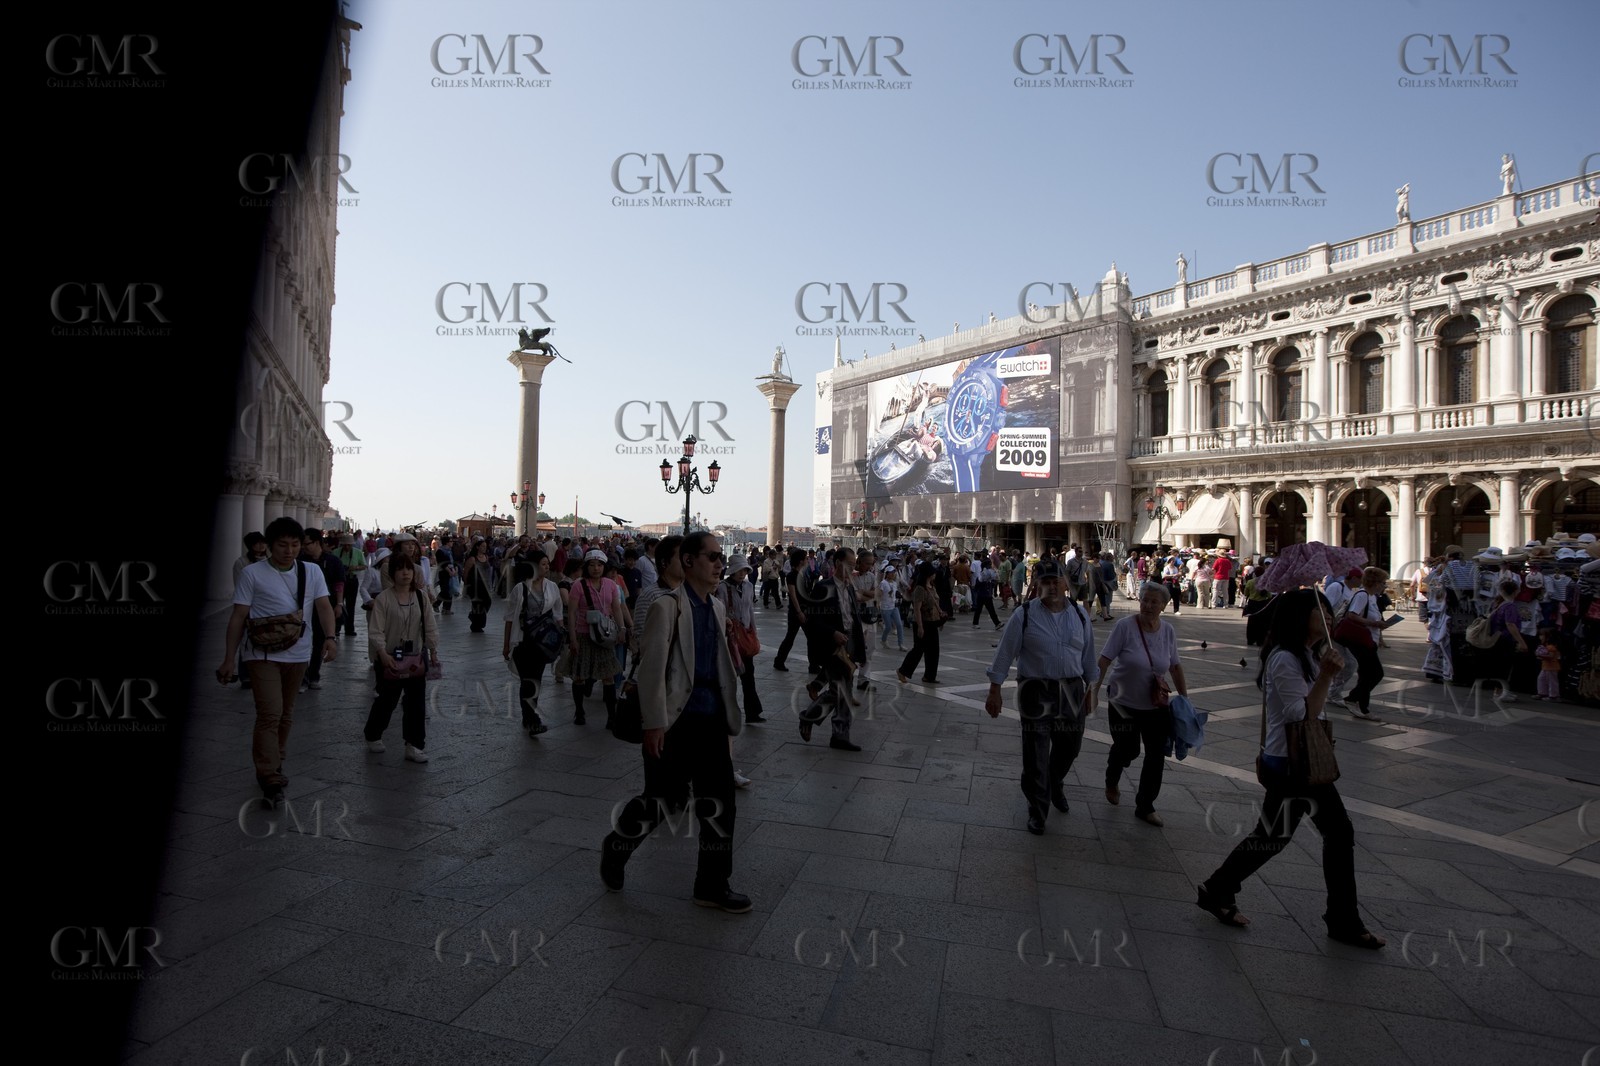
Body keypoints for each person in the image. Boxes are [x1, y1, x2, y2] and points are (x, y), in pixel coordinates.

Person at [1196, 588, 1386, 950]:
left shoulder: (1306, 655)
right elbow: (1302, 714)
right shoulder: (1285, 659)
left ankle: (1218, 889)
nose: (1328, 617)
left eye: (1329, 611)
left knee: (1274, 836)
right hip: (1294, 766)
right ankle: (1343, 920)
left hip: (1295, 764)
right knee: (1336, 833)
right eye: (1320, 611)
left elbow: (1320, 702)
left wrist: (1330, 670)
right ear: (1299, 618)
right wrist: (1326, 677)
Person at [600, 532, 750, 913]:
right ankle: (617, 846)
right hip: (674, 719)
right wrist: (654, 724)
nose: (719, 564)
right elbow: (650, 669)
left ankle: (712, 885)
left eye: (721, 558)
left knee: (720, 804)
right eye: (712, 557)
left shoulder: (716, 607)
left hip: (712, 719)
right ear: (688, 561)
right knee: (664, 800)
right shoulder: (666, 606)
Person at [216, 516, 338, 804]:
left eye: (295, 545)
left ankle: (276, 760)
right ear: (270, 546)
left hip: (299, 653)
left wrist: (331, 638)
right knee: (270, 713)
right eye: (282, 545)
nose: (289, 550)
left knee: (286, 713)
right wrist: (228, 659)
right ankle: (268, 773)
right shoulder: (252, 574)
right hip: (262, 654)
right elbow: (238, 617)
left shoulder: (312, 572)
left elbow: (323, 607)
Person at [984, 561, 1099, 835]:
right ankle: (1038, 809)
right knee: (1035, 751)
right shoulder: (1024, 615)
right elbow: (1004, 653)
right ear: (1037, 585)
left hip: (1071, 689)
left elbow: (1089, 657)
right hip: (1035, 690)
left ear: (1065, 584)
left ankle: (1054, 781)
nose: (1050, 586)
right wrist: (994, 691)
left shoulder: (1080, 616)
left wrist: (1092, 690)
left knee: (1069, 747)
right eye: (1044, 581)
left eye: (1055, 581)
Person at [1098, 582, 1187, 826]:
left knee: (1156, 754)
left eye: (1153, 602)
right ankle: (1112, 776)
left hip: (1155, 704)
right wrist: (1092, 691)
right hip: (1122, 701)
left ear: (1164, 606)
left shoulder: (1167, 630)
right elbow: (1104, 660)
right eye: (1144, 600)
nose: (1147, 605)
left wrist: (1185, 698)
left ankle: (1145, 805)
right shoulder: (1125, 627)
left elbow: (1175, 666)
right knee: (1128, 749)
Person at [364, 553, 439, 763]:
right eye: (400, 569)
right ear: (392, 573)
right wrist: (381, 653)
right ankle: (373, 733)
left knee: (416, 703)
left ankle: (414, 744)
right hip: (389, 656)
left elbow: (430, 624)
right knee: (387, 700)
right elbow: (376, 629)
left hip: (415, 656)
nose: (405, 573)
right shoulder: (384, 598)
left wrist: (433, 650)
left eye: (409, 569)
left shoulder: (420, 596)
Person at [801, 547, 865, 750]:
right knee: (841, 690)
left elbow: (852, 617)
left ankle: (830, 729)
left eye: (855, 565)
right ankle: (833, 731)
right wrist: (832, 633)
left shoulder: (850, 588)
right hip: (832, 645)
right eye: (850, 564)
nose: (852, 569)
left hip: (849, 643)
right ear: (837, 563)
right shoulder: (823, 587)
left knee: (842, 690)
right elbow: (813, 620)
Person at [504, 549, 563, 737]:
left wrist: (561, 637)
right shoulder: (520, 589)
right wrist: (506, 645)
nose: (547, 567)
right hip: (523, 642)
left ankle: (529, 717)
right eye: (543, 564)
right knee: (527, 681)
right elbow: (510, 618)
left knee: (535, 680)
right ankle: (531, 719)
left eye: (547, 564)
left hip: (542, 643)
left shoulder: (552, 587)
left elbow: (558, 614)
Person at [568, 549, 631, 726]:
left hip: (604, 636)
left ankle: (611, 716)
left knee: (608, 676)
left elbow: (617, 608)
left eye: (600, 565)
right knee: (579, 676)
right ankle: (579, 711)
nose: (596, 568)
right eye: (592, 565)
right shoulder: (578, 586)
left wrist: (622, 628)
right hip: (583, 634)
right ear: (586, 566)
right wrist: (572, 638)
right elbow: (572, 613)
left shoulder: (611, 585)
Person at [716, 554, 766, 725]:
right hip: (729, 637)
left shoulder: (749, 586)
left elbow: (750, 609)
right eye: (739, 570)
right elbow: (720, 609)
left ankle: (753, 712)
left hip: (744, 635)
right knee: (728, 676)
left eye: (744, 570)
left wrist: (754, 630)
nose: (742, 573)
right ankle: (724, 713)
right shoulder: (723, 587)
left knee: (748, 675)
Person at [1336, 567, 1391, 721]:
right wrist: (1373, 623)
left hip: (1369, 640)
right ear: (1375, 582)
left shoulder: (1372, 597)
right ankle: (1353, 699)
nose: (1384, 586)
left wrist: (1379, 632)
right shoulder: (1362, 595)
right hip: (1360, 640)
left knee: (1367, 674)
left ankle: (1363, 708)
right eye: (1383, 582)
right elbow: (1352, 615)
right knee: (1376, 673)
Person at [299, 530, 345, 691]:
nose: (304, 548)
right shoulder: (300, 561)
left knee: (319, 642)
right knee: (302, 641)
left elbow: (339, 584)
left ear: (317, 542)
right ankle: (302, 677)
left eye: (307, 544)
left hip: (326, 606)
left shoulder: (333, 561)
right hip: (304, 608)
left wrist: (339, 604)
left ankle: (313, 675)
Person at [896, 564, 944, 685]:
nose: (935, 574)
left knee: (934, 650)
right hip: (923, 622)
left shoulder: (932, 586)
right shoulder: (919, 589)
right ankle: (903, 671)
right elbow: (917, 609)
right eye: (933, 572)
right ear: (928, 574)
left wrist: (940, 618)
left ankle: (930, 676)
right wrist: (920, 626)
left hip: (933, 621)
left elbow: (935, 603)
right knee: (918, 649)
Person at [1486, 578, 1530, 700]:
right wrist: (1521, 641)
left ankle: (1500, 691)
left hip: (1496, 638)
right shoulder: (1509, 606)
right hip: (1505, 639)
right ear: (1515, 591)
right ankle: (1501, 692)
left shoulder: (1498, 604)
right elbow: (1510, 624)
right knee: (1504, 666)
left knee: (1500, 665)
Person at [772, 547, 810, 671]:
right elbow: (792, 595)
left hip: (804, 610)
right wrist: (799, 611)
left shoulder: (801, 574)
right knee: (791, 638)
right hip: (797, 612)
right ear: (800, 561)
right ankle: (779, 661)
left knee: (808, 637)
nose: (807, 560)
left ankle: (813, 664)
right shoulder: (792, 575)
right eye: (806, 559)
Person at [878, 565, 905, 649]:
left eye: (894, 572)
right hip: (885, 608)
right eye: (891, 573)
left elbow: (894, 593)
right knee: (888, 627)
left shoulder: (894, 583)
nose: (893, 574)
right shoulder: (883, 583)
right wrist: (878, 604)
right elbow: (880, 594)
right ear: (887, 574)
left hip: (893, 607)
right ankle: (883, 640)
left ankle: (901, 644)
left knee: (899, 625)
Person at [972, 554, 1002, 629]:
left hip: (987, 595)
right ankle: (975, 623)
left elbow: (994, 582)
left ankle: (997, 623)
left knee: (991, 610)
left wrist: (993, 582)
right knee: (979, 609)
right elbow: (977, 586)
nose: (990, 566)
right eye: (989, 565)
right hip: (982, 595)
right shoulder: (981, 575)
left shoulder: (989, 574)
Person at [1534, 626, 1562, 701]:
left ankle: (1554, 696)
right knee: (1541, 679)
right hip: (1546, 667)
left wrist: (1541, 655)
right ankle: (1542, 693)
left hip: (1552, 667)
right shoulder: (1545, 646)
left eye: (1542, 635)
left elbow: (1551, 656)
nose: (1540, 637)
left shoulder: (1551, 647)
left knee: (1552, 681)